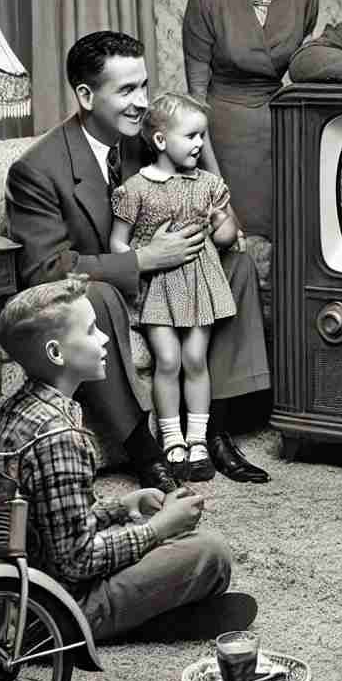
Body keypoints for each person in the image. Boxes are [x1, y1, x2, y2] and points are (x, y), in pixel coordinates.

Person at [6, 31, 271, 487]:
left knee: (239, 264)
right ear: (86, 95)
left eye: (144, 86)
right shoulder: (37, 169)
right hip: (119, 289)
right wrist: (145, 259)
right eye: (126, 90)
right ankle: (142, 449)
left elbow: (209, 185)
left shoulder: (152, 138)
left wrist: (215, 227)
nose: (140, 102)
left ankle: (213, 430)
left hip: (178, 282)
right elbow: (43, 270)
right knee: (100, 295)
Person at [0, 276, 257, 642]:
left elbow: (55, 520)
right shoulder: (61, 436)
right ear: (56, 354)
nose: (105, 338)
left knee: (170, 538)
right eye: (92, 331)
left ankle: (154, 607)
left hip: (24, 576)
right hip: (54, 603)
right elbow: (76, 561)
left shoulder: (18, 411)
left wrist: (123, 507)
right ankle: (112, 624)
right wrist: (159, 529)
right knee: (211, 554)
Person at [110, 92, 243, 483]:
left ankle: (198, 441)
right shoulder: (135, 188)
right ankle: (172, 440)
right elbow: (118, 242)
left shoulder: (209, 185)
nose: (200, 144)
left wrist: (225, 227)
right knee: (167, 361)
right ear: (161, 141)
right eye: (191, 136)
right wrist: (143, 254)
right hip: (159, 285)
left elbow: (225, 236)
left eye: (202, 136)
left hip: (200, 280)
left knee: (195, 360)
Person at [183, 0, 319, 242]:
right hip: (224, 141)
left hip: (283, 136)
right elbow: (196, 100)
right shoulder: (206, 1)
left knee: (288, 246)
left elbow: (305, 68)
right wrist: (214, 185)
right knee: (234, 247)